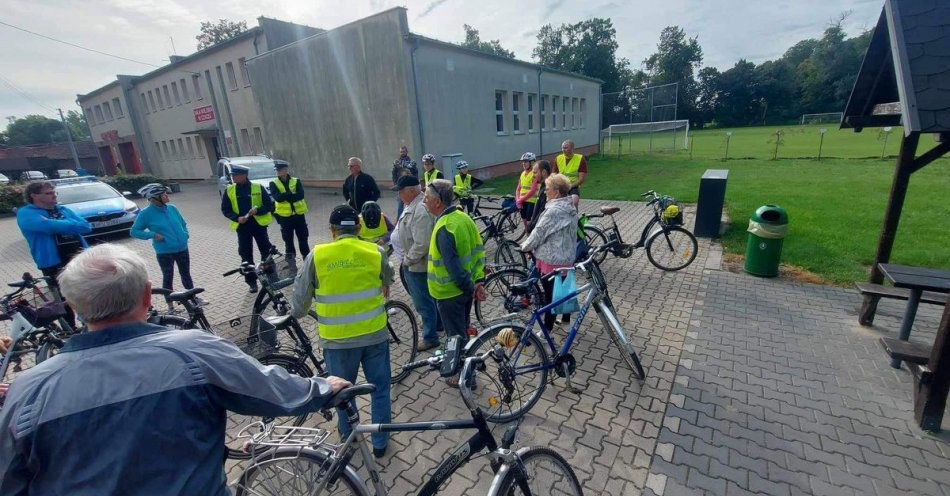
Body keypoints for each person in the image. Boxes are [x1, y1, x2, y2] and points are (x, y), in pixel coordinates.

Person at [0, 243, 350, 495]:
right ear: (147, 296)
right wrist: (321, 389)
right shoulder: (193, 350)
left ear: (72, 307)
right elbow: (267, 388)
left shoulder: (28, 390)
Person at [290, 205, 394, 458]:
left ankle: (349, 437)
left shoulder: (318, 254)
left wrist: (298, 313)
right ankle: (380, 442)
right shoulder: (374, 250)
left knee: (341, 391)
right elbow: (388, 277)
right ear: (359, 228)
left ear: (332, 231)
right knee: (379, 388)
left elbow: (300, 302)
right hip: (374, 335)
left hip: (337, 341)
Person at [424, 179, 487, 385]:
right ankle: (467, 369)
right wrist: (477, 283)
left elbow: (454, 270)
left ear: (438, 202)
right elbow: (479, 253)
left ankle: (465, 376)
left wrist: (471, 288)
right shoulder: (464, 218)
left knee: (456, 336)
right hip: (464, 291)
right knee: (463, 330)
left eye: (427, 197)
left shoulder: (444, 227)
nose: (424, 200)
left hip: (450, 293)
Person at [16, 181, 92, 327]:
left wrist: (59, 225)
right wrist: (70, 225)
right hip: (54, 263)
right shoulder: (26, 213)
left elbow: (86, 226)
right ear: (34, 195)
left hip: (80, 259)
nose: (53, 195)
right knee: (63, 301)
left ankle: (90, 324)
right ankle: (69, 331)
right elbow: (46, 226)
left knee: (86, 293)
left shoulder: (62, 209)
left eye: (54, 192)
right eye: (48, 193)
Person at [519, 174, 579, 331]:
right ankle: (566, 321)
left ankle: (547, 330)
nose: (545, 192)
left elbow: (539, 232)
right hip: (566, 257)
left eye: (547, 189)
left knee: (550, 296)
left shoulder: (553, 211)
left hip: (552, 260)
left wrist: (524, 247)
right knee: (564, 289)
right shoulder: (570, 206)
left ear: (557, 192)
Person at [131, 183, 202, 311]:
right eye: (163, 194)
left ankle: (193, 299)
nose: (166, 195)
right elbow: (134, 231)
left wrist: (185, 234)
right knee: (168, 277)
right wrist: (152, 234)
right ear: (154, 198)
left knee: (186, 274)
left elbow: (183, 223)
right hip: (165, 252)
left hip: (182, 248)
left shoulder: (172, 208)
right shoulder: (146, 214)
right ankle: (170, 306)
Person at [393, 175, 441, 351]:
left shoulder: (420, 209)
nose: (398, 195)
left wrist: (407, 260)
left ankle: (430, 337)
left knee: (423, 302)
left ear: (412, 191)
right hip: (415, 264)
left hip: (417, 265)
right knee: (429, 299)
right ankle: (436, 325)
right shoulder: (412, 205)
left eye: (400, 191)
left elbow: (422, 243)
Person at [220, 165, 275, 293]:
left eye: (235, 175)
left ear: (244, 175)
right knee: (245, 254)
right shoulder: (230, 190)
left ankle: (271, 278)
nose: (233, 177)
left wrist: (257, 210)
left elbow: (269, 205)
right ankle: (252, 282)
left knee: (266, 251)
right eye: (232, 175)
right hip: (242, 227)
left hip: (258, 225)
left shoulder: (257, 187)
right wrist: (236, 218)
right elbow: (225, 209)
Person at [269, 160, 310, 262]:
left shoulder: (296, 180)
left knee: (303, 240)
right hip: (284, 217)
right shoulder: (273, 183)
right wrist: (291, 194)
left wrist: (285, 196)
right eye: (277, 170)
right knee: (288, 242)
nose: (278, 172)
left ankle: (308, 261)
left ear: (286, 170)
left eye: (280, 170)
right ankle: (291, 264)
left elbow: (300, 195)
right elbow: (278, 198)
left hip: (299, 215)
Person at [554, 140, 587, 207]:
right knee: (555, 202)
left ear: (572, 148)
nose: (563, 150)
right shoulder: (558, 158)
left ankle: (574, 216)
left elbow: (581, 179)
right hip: (561, 186)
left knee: (574, 201)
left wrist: (570, 186)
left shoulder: (580, 159)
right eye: (562, 148)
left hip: (573, 186)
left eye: (566, 148)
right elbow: (554, 175)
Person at [526, 160, 553, 232]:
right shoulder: (543, 185)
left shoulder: (548, 189)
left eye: (535, 172)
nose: (533, 175)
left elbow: (543, 211)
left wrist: (532, 225)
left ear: (543, 172)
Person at [391, 146, 418, 219]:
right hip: (400, 185)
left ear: (407, 152)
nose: (402, 153)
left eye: (404, 151)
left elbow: (415, 172)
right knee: (400, 203)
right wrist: (395, 183)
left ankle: (413, 217)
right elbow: (394, 173)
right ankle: (399, 220)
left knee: (411, 202)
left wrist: (415, 183)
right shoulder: (396, 162)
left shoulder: (412, 162)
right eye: (401, 151)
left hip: (410, 186)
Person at [514, 152, 538, 230]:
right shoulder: (523, 174)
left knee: (529, 222)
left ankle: (532, 237)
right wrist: (518, 200)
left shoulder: (534, 174)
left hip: (531, 201)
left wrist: (520, 200)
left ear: (532, 162)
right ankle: (528, 235)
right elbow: (518, 189)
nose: (523, 163)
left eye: (526, 161)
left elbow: (533, 190)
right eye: (523, 162)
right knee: (524, 220)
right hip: (522, 201)